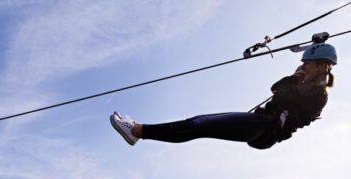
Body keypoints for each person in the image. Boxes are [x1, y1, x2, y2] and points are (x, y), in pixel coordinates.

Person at [110, 43, 337, 149]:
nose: (303, 66)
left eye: (306, 63)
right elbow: (277, 89)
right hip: (262, 126)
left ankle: (137, 130)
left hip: (266, 129)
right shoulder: (307, 87)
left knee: (200, 125)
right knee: (198, 124)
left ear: (321, 65)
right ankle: (138, 131)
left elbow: (282, 94)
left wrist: (296, 79)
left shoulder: (318, 95)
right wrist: (295, 78)